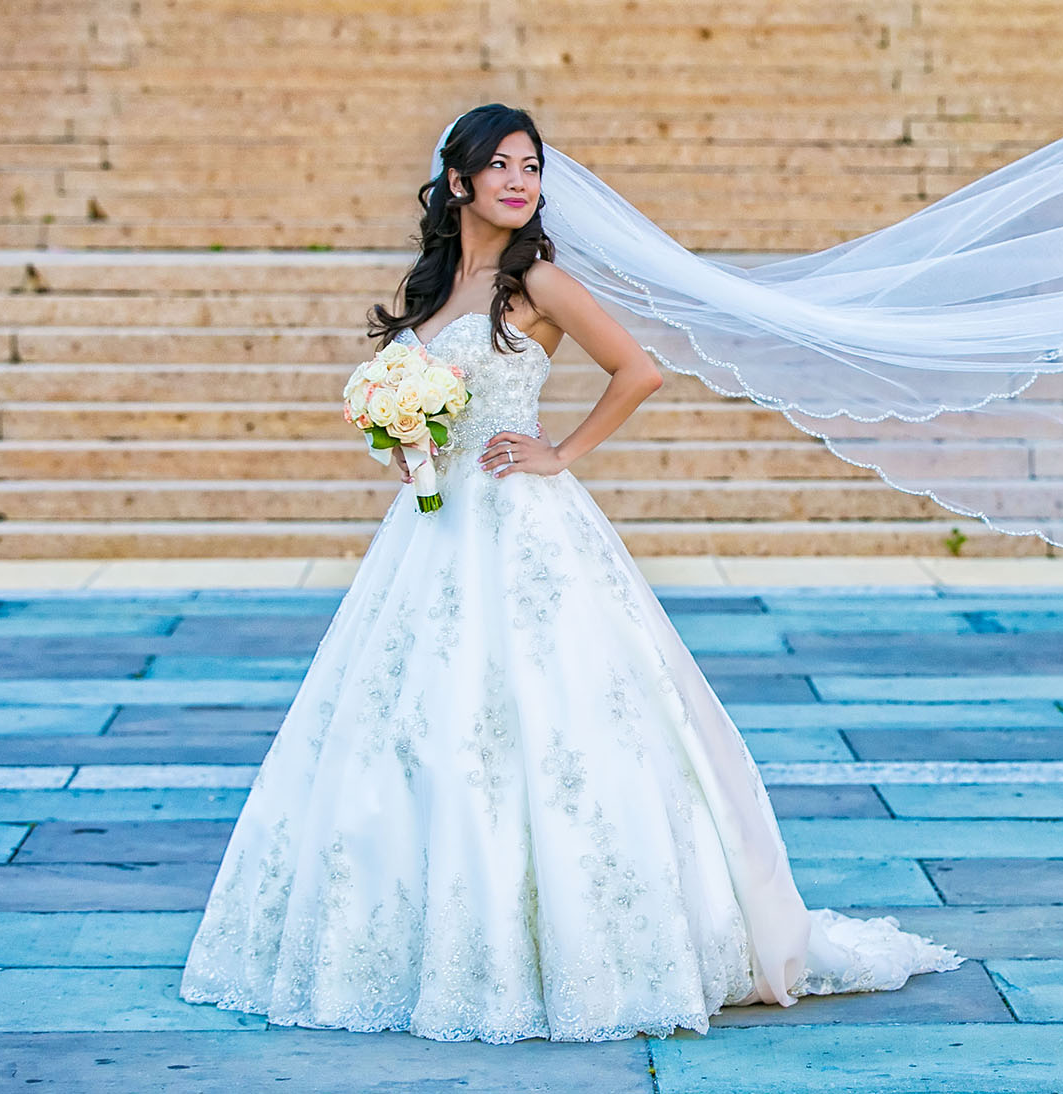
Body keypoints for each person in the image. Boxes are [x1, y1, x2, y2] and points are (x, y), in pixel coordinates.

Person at [178, 109, 965, 1044]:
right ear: (458, 182)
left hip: (522, 528)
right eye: (499, 166)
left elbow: (637, 371)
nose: (519, 180)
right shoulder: (434, 289)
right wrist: (410, 442)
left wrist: (561, 453)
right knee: (415, 722)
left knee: (548, 722)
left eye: (532, 167)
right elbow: (430, 413)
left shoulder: (538, 281)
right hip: (433, 532)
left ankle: (587, 947)